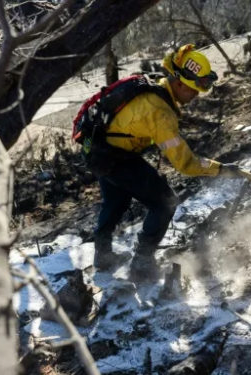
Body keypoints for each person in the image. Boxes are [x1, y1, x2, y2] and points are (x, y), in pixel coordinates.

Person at [88, 44, 240, 282]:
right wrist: (219, 169)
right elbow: (185, 164)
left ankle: (102, 255)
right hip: (114, 156)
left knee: (115, 201)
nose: (197, 94)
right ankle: (141, 263)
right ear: (179, 83)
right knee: (165, 203)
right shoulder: (160, 113)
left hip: (98, 149)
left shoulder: (155, 87)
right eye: (194, 89)